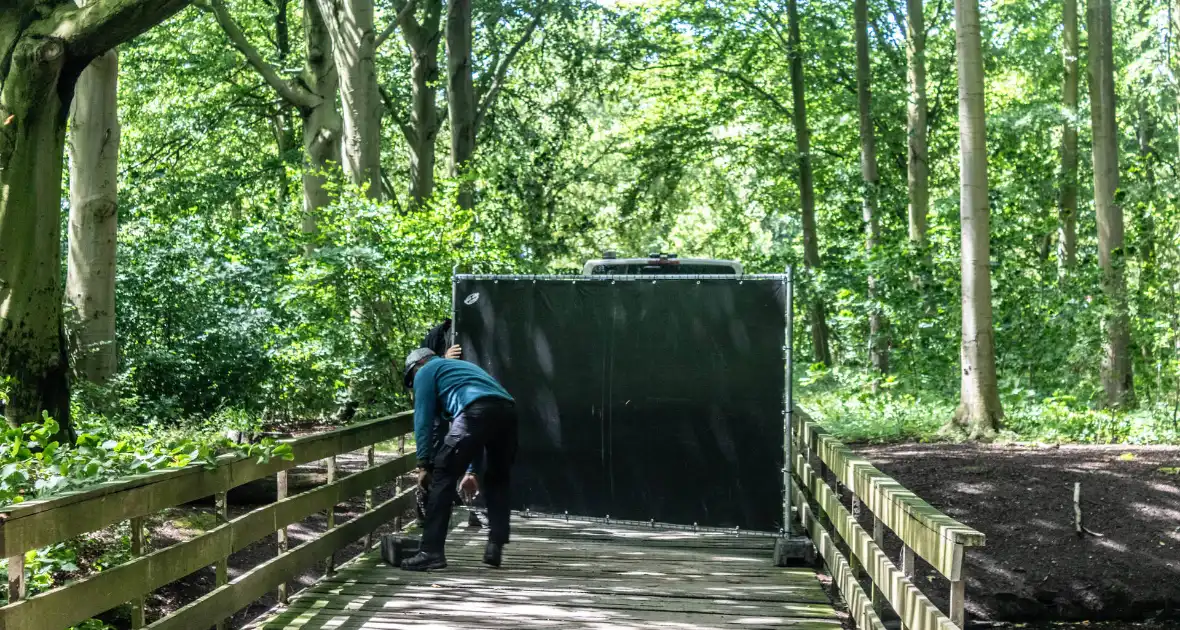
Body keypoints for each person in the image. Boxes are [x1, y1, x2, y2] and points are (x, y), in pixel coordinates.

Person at [400, 347, 517, 571]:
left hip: (475, 410)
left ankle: (431, 552)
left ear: (418, 366)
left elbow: (423, 419)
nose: (414, 384)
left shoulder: (426, 372)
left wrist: (423, 463)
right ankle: (496, 544)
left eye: (411, 379)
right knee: (498, 478)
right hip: (507, 410)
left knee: (442, 474)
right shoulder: (462, 368)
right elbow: (475, 428)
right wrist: (471, 471)